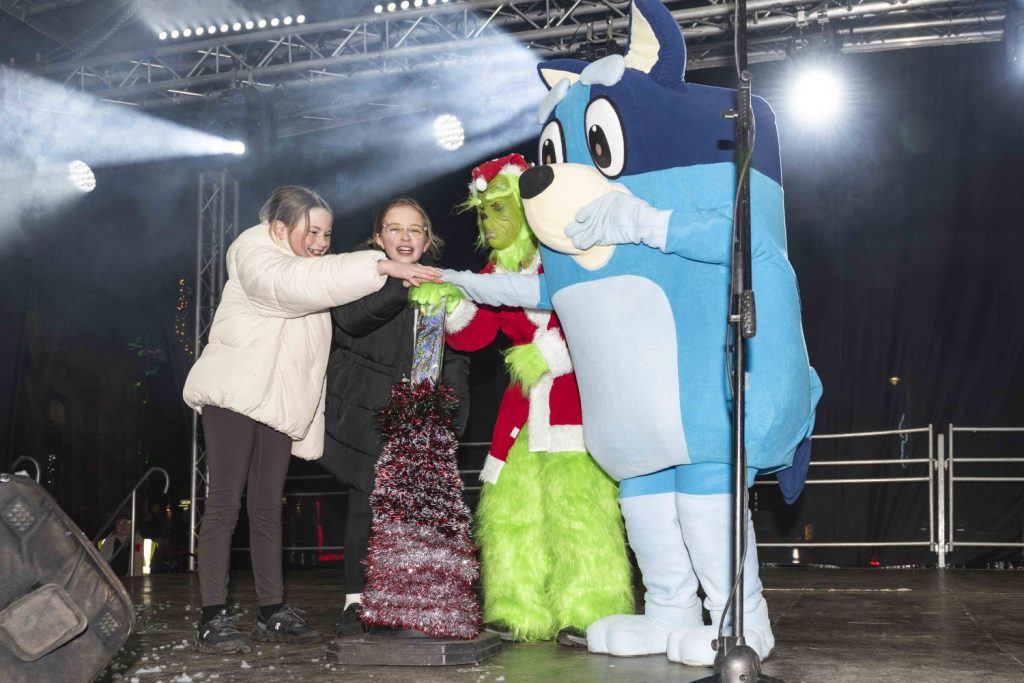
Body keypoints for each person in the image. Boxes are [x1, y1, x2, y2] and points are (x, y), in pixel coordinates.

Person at [182, 186, 441, 654]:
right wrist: (380, 265)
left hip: (279, 404)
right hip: (235, 394)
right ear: (281, 228)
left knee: (267, 508)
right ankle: (212, 614)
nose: (321, 241)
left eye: (327, 233)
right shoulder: (253, 254)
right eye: (312, 231)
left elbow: (324, 291)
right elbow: (293, 286)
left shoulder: (310, 270)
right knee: (224, 504)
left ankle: (271, 609)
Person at [417, 155, 633, 646]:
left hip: (575, 408)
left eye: (497, 209)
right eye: (481, 214)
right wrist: (454, 306)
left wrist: (551, 353)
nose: (488, 222)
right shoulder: (492, 271)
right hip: (520, 414)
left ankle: (590, 609)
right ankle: (517, 609)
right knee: (512, 512)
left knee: (579, 511)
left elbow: (597, 314)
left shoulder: (569, 253)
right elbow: (475, 337)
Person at [316, 197, 470, 636]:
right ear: (379, 237)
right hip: (362, 410)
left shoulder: (443, 289)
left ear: (428, 239)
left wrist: (450, 418)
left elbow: (456, 361)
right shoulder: (363, 275)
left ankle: (408, 602)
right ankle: (355, 601)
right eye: (395, 229)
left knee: (416, 513)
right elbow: (350, 322)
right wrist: (395, 282)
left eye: (414, 230)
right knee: (364, 501)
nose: (405, 238)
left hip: (419, 416)